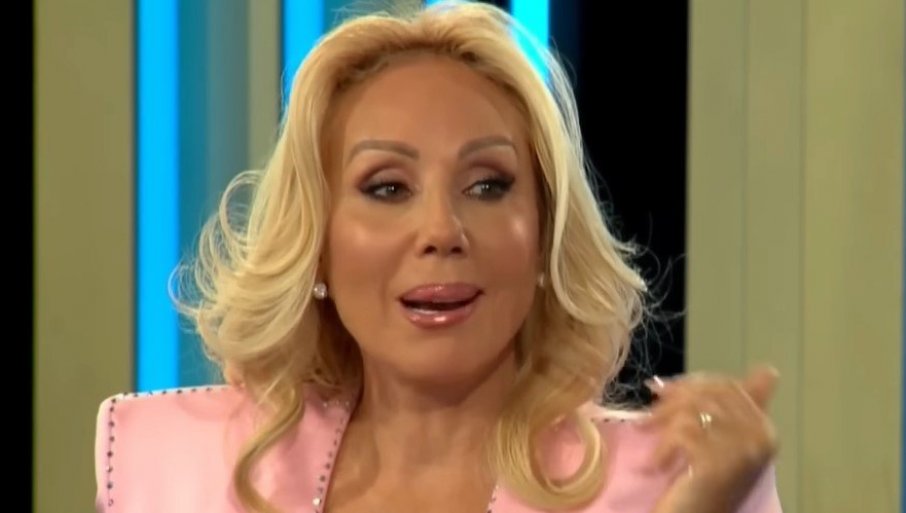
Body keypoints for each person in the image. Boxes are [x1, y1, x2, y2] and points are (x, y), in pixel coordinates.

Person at [94, 2, 783, 512]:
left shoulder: (677, 482)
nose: (441, 230)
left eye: (487, 185)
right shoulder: (175, 472)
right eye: (387, 187)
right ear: (317, 248)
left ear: (544, 237)